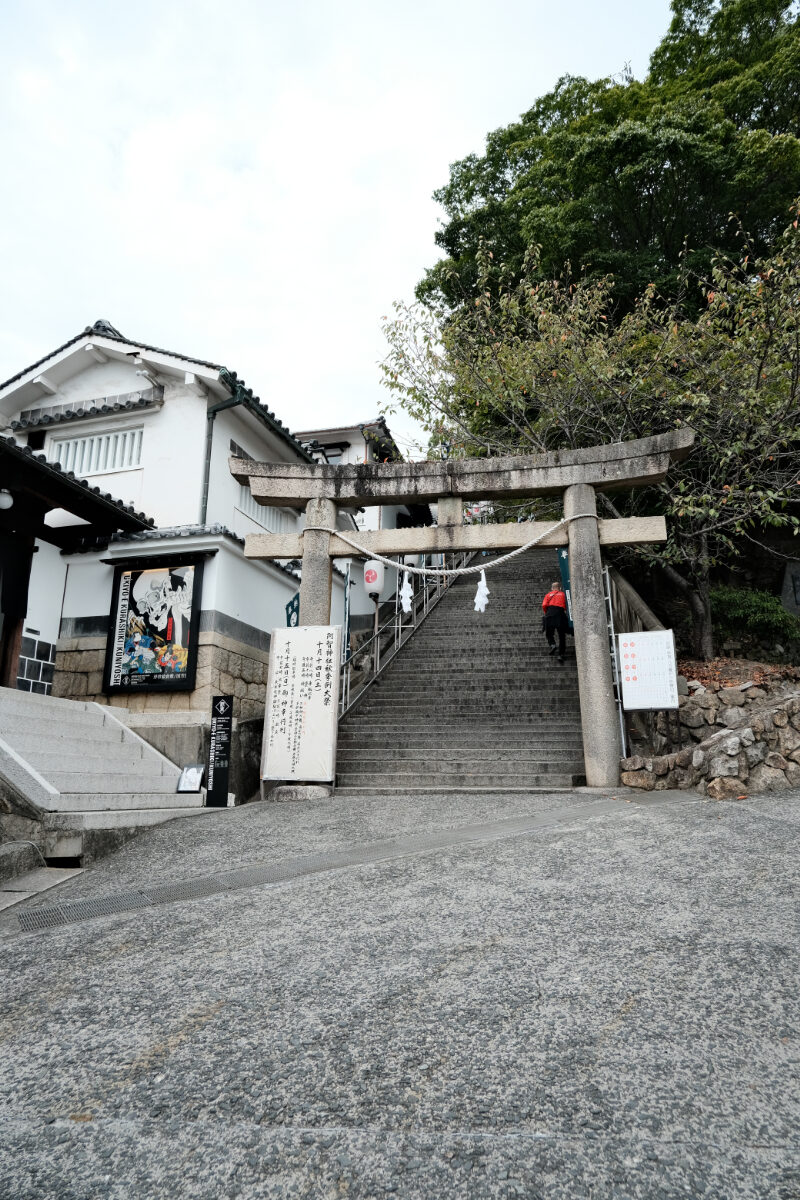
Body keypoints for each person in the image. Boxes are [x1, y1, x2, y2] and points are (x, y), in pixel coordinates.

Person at [542, 579, 568, 663]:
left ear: (552, 588)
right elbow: (567, 604)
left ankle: (552, 645)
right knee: (561, 635)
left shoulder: (548, 594)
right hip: (560, 613)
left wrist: (547, 613)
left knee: (549, 632)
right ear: (559, 588)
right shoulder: (563, 594)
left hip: (550, 612)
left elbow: (544, 605)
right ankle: (561, 654)